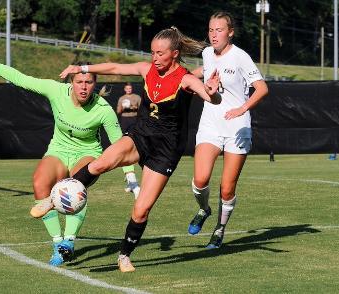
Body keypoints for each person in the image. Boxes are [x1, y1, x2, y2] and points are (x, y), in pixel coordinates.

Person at [0, 39, 140, 266]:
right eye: (79, 82)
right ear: (70, 81)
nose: (83, 86)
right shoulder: (56, 91)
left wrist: (130, 176)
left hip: (88, 152)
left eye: (88, 82)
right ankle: (58, 245)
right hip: (58, 149)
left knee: (75, 185)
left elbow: (119, 145)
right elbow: (22, 79)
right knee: (39, 184)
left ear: (95, 84)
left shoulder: (103, 109)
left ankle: (70, 241)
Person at [58, 27, 221, 272]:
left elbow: (211, 99)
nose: (154, 58)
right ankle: (55, 198)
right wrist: (80, 69)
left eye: (160, 53)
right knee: (102, 162)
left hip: (166, 149)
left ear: (174, 54)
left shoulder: (186, 79)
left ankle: (124, 255)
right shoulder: (148, 69)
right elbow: (114, 68)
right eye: (152, 52)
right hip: (141, 135)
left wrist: (212, 92)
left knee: (141, 209)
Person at [187, 12, 268, 249]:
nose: (213, 35)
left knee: (227, 187)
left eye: (219, 30)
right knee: (200, 179)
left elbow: (262, 88)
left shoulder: (241, 57)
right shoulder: (206, 53)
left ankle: (220, 229)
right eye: (211, 30)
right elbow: (205, 71)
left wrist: (243, 108)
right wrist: (186, 79)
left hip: (237, 128)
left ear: (230, 32)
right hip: (211, 123)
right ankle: (204, 209)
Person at [116, 82, 141, 196]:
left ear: (132, 89)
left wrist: (134, 107)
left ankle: (131, 181)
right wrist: (123, 107)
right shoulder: (121, 98)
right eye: (127, 88)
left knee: (136, 144)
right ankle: (130, 183)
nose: (128, 90)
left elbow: (142, 110)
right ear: (125, 89)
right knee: (124, 145)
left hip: (134, 119)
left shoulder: (137, 97)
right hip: (125, 120)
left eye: (130, 88)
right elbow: (118, 111)